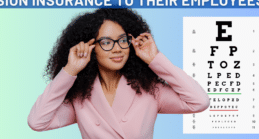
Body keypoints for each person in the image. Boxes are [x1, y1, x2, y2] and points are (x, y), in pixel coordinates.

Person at [27, 8, 210, 139]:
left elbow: (199, 101)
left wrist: (155, 59)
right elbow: (37, 122)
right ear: (91, 48)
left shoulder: (151, 91)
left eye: (123, 40)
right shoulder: (80, 98)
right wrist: (70, 70)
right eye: (106, 42)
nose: (118, 49)